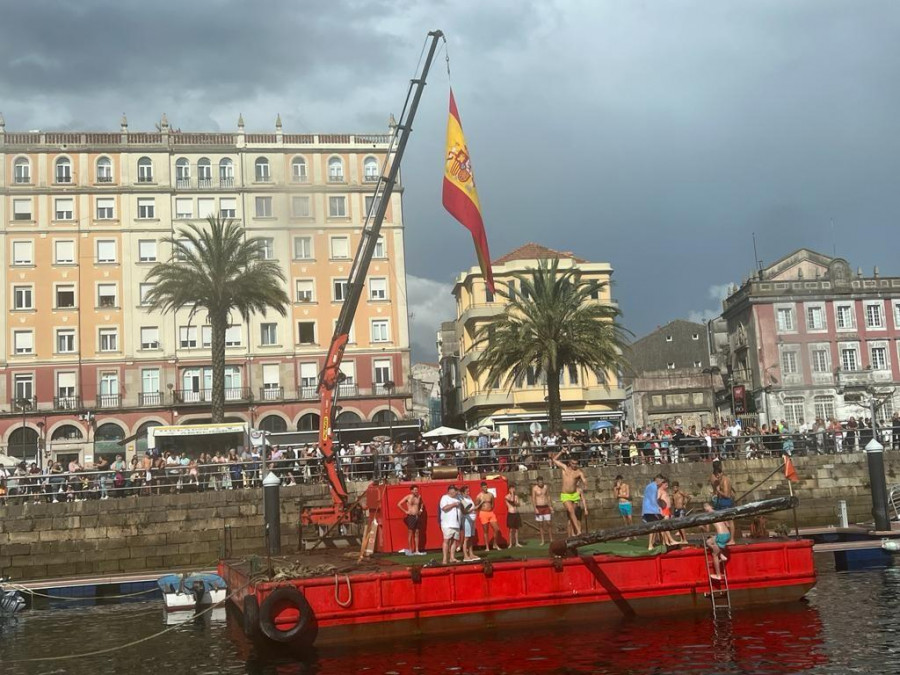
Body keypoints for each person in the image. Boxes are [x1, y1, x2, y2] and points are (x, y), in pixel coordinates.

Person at [552, 450, 587, 536]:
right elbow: (554, 460)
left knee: (572, 514)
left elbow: (584, 479)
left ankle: (572, 533)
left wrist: (585, 485)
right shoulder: (565, 468)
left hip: (574, 495)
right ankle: (578, 531)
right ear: (570, 463)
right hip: (565, 495)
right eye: (573, 463)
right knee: (571, 511)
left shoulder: (579, 472)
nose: (574, 465)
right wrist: (561, 452)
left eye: (576, 463)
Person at [704, 502, 731, 580]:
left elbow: (707, 530)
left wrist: (701, 527)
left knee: (714, 555)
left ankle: (718, 575)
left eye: (705, 507)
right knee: (709, 541)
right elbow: (728, 525)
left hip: (721, 536)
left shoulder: (708, 516)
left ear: (707, 508)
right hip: (727, 535)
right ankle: (721, 555)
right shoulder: (719, 513)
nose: (705, 509)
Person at [474, 481, 503, 551]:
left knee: (497, 529)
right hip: (483, 513)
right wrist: (481, 503)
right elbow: (476, 506)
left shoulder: (491, 495)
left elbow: (493, 504)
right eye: (484, 487)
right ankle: (487, 547)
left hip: (490, 512)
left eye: (486, 487)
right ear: (481, 488)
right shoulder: (479, 496)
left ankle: (495, 544)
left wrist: (490, 509)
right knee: (485, 531)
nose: (485, 488)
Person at [397, 485, 425, 555]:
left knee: (417, 533)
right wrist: (405, 511)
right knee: (410, 532)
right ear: (411, 490)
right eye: (415, 490)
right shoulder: (408, 497)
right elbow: (399, 504)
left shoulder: (419, 497)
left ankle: (417, 550)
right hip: (411, 516)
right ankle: (410, 550)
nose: (416, 491)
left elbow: (422, 504)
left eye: (417, 490)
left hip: (417, 516)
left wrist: (420, 511)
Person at [711, 461, 736, 540]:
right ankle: (725, 537)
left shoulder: (725, 480)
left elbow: (727, 495)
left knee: (730, 521)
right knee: (720, 520)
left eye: (718, 475)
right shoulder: (720, 480)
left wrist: (718, 491)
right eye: (716, 475)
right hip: (721, 502)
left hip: (726, 502)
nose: (717, 477)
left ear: (721, 473)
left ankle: (732, 539)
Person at [641, 474, 666, 550]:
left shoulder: (649, 486)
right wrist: (658, 509)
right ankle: (650, 545)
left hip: (647, 509)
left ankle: (653, 542)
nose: (662, 484)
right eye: (662, 482)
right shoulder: (653, 487)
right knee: (652, 527)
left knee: (654, 526)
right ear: (658, 480)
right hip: (650, 510)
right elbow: (652, 500)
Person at [439, 484, 462, 564]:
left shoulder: (458, 498)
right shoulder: (444, 498)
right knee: (446, 540)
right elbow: (444, 508)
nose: (456, 492)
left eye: (456, 491)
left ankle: (452, 557)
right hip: (447, 523)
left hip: (456, 523)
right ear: (450, 491)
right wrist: (453, 505)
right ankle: (445, 559)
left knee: (454, 541)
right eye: (454, 490)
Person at [458, 485, 479, 561]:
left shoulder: (469, 498)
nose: (468, 493)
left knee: (471, 537)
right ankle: (465, 556)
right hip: (466, 519)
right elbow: (464, 511)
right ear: (463, 492)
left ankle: (471, 554)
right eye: (467, 491)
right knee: (466, 538)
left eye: (468, 491)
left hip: (472, 519)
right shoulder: (461, 500)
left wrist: (476, 508)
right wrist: (473, 509)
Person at [531, 476, 552, 545]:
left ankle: (551, 539)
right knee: (540, 524)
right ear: (537, 482)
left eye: (541, 482)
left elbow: (548, 496)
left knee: (548, 523)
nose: (541, 483)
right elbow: (533, 498)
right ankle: (542, 540)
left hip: (546, 507)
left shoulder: (546, 487)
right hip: (539, 507)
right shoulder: (534, 489)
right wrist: (535, 508)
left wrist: (550, 506)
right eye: (539, 482)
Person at [505, 482, 523, 547]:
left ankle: (517, 542)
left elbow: (518, 504)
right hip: (511, 513)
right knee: (511, 530)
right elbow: (512, 501)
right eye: (511, 488)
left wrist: (515, 501)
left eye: (513, 488)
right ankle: (510, 543)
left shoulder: (516, 496)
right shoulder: (507, 496)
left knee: (516, 529)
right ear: (509, 489)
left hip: (516, 513)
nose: (513, 489)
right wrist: (512, 494)